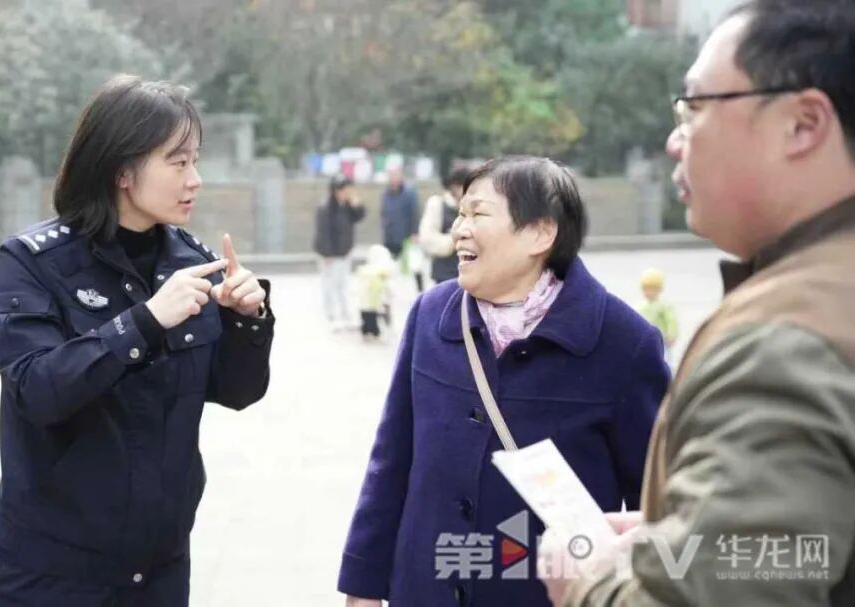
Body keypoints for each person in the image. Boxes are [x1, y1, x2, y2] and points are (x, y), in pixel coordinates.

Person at [542, 2, 855, 605]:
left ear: (803, 124)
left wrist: (588, 578)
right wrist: (688, 535)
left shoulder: (780, 347)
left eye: (694, 108)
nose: (673, 141)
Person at [0, 75, 274, 606]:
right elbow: (37, 390)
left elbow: (237, 391)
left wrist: (247, 320)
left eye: (195, 161)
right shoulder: (33, 262)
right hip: (52, 571)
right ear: (121, 169)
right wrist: (145, 321)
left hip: (160, 567)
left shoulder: (191, 261)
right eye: (178, 162)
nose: (195, 179)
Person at [339, 156, 669, 607]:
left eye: (478, 213)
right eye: (460, 213)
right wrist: (362, 584)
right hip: (425, 589)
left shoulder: (624, 342)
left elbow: (658, 504)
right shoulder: (430, 315)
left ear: (540, 233)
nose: (460, 229)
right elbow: (391, 461)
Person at [314, 174, 366, 330]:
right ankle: (331, 315)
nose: (345, 192)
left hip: (344, 252)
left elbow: (359, 217)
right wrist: (327, 253)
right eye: (342, 189)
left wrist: (357, 205)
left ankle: (345, 314)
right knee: (329, 285)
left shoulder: (347, 206)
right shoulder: (325, 207)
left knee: (343, 284)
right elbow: (323, 232)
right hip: (330, 254)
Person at [419, 167, 470, 284]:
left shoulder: (472, 207)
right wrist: (455, 240)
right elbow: (427, 238)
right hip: (444, 273)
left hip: (468, 273)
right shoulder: (437, 204)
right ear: (453, 186)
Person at [379, 166, 423, 291]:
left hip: (407, 235)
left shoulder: (409, 193)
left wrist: (415, 232)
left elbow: (415, 213)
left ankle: (420, 290)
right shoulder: (385, 194)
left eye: (396, 174)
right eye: (391, 175)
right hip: (390, 236)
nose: (393, 178)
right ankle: (390, 292)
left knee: (415, 265)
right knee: (390, 267)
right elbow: (383, 213)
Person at [636, 269, 679, 364]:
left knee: (664, 359)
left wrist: (672, 334)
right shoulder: (640, 306)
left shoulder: (663, 306)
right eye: (645, 289)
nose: (648, 292)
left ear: (659, 290)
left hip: (662, 340)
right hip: (646, 340)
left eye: (652, 289)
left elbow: (671, 320)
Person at [355, 244, 393, 341]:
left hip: (366, 302)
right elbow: (388, 287)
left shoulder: (365, 271)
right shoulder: (383, 272)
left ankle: (368, 331)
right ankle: (375, 332)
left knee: (368, 318)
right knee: (376, 318)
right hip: (376, 301)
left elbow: (360, 288)